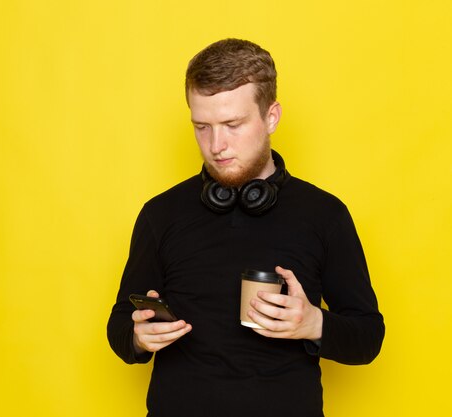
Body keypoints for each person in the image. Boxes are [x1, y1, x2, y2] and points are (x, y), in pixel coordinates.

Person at [107, 38, 384, 417]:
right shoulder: (161, 214)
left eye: (232, 124)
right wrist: (138, 337)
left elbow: (368, 338)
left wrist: (313, 322)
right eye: (202, 126)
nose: (216, 145)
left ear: (271, 116)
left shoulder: (325, 214)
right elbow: (120, 326)